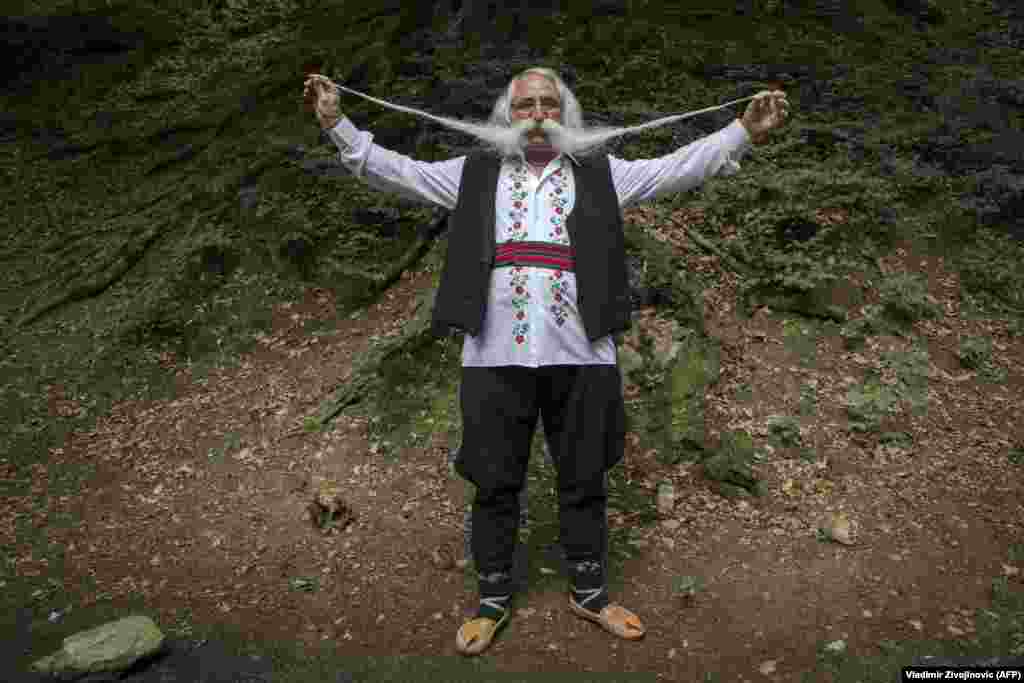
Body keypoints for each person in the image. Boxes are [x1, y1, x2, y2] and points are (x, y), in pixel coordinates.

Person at [302, 66, 789, 656]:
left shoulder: (604, 174)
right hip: (493, 355)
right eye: (526, 104)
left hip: (582, 352)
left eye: (549, 104)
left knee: (585, 473)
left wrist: (744, 131)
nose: (537, 114)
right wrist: (337, 124)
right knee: (493, 480)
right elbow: (395, 171)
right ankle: (492, 599)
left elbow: (680, 166)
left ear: (566, 114)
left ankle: (589, 591)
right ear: (508, 116)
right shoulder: (473, 174)